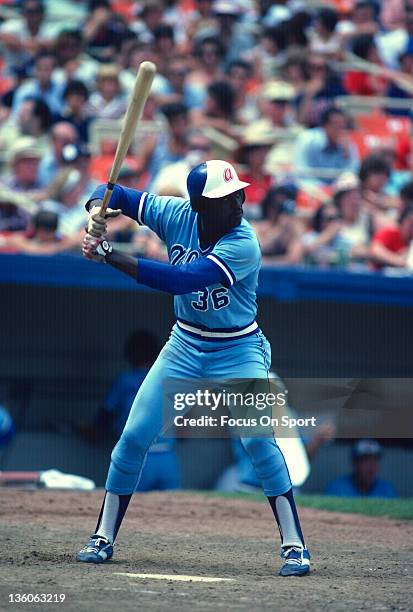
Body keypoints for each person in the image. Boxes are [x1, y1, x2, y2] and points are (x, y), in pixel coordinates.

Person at [76, 160, 311, 576]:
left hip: (237, 348)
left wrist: (109, 253)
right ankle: (103, 537)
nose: (238, 201)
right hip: (184, 344)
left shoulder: (244, 243)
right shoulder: (176, 215)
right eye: (226, 197)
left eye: (237, 192)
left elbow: (181, 281)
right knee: (133, 437)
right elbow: (115, 191)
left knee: (258, 441)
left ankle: (294, 545)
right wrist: (99, 207)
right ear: (201, 205)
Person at [81, 330, 180, 491]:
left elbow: (104, 418)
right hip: (167, 458)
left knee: (132, 511)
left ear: (130, 354)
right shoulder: (170, 379)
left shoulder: (125, 380)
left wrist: (86, 430)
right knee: (175, 512)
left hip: (137, 457)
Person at [295, 107, 359, 185]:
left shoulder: (348, 144)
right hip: (311, 188)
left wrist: (346, 154)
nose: (340, 130)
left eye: (343, 126)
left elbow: (353, 174)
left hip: (338, 191)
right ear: (324, 126)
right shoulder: (307, 140)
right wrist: (324, 189)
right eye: (336, 126)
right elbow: (302, 172)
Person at [325, 439, 397, 497]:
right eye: (366, 461)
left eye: (375, 460)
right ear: (354, 464)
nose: (371, 466)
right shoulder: (337, 489)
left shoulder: (386, 490)